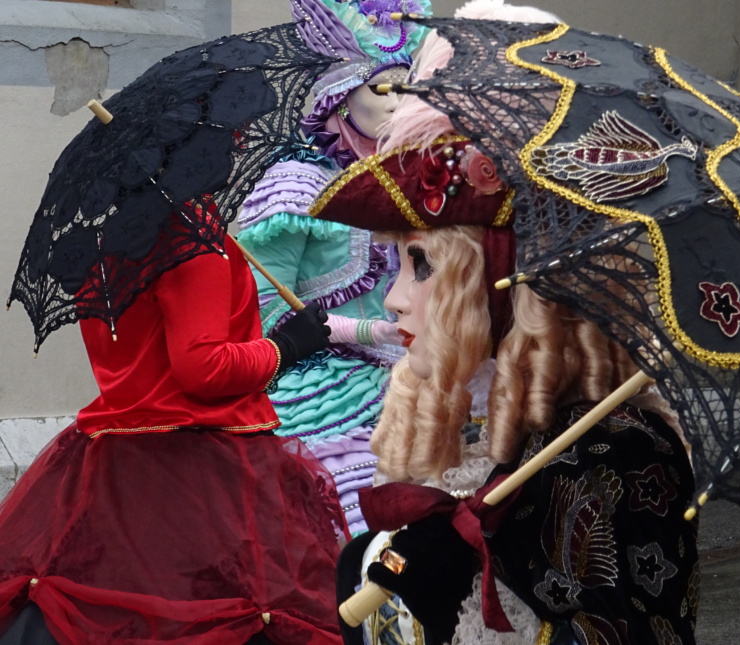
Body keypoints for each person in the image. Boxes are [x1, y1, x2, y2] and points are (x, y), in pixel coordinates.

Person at [309, 12, 700, 635]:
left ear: (504, 283)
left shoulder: (610, 453)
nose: (393, 302)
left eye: (422, 266)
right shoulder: (447, 421)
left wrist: (480, 559)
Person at [0, 210, 347, 644]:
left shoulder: (107, 238)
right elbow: (203, 368)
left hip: (116, 458)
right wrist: (288, 345)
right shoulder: (190, 233)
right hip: (204, 462)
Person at [236, 0, 429, 535]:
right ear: (340, 100)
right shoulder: (294, 187)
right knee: (355, 500)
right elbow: (261, 315)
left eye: (409, 89)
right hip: (317, 376)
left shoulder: (414, 181)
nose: (399, 105)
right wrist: (360, 330)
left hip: (412, 365)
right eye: (383, 89)